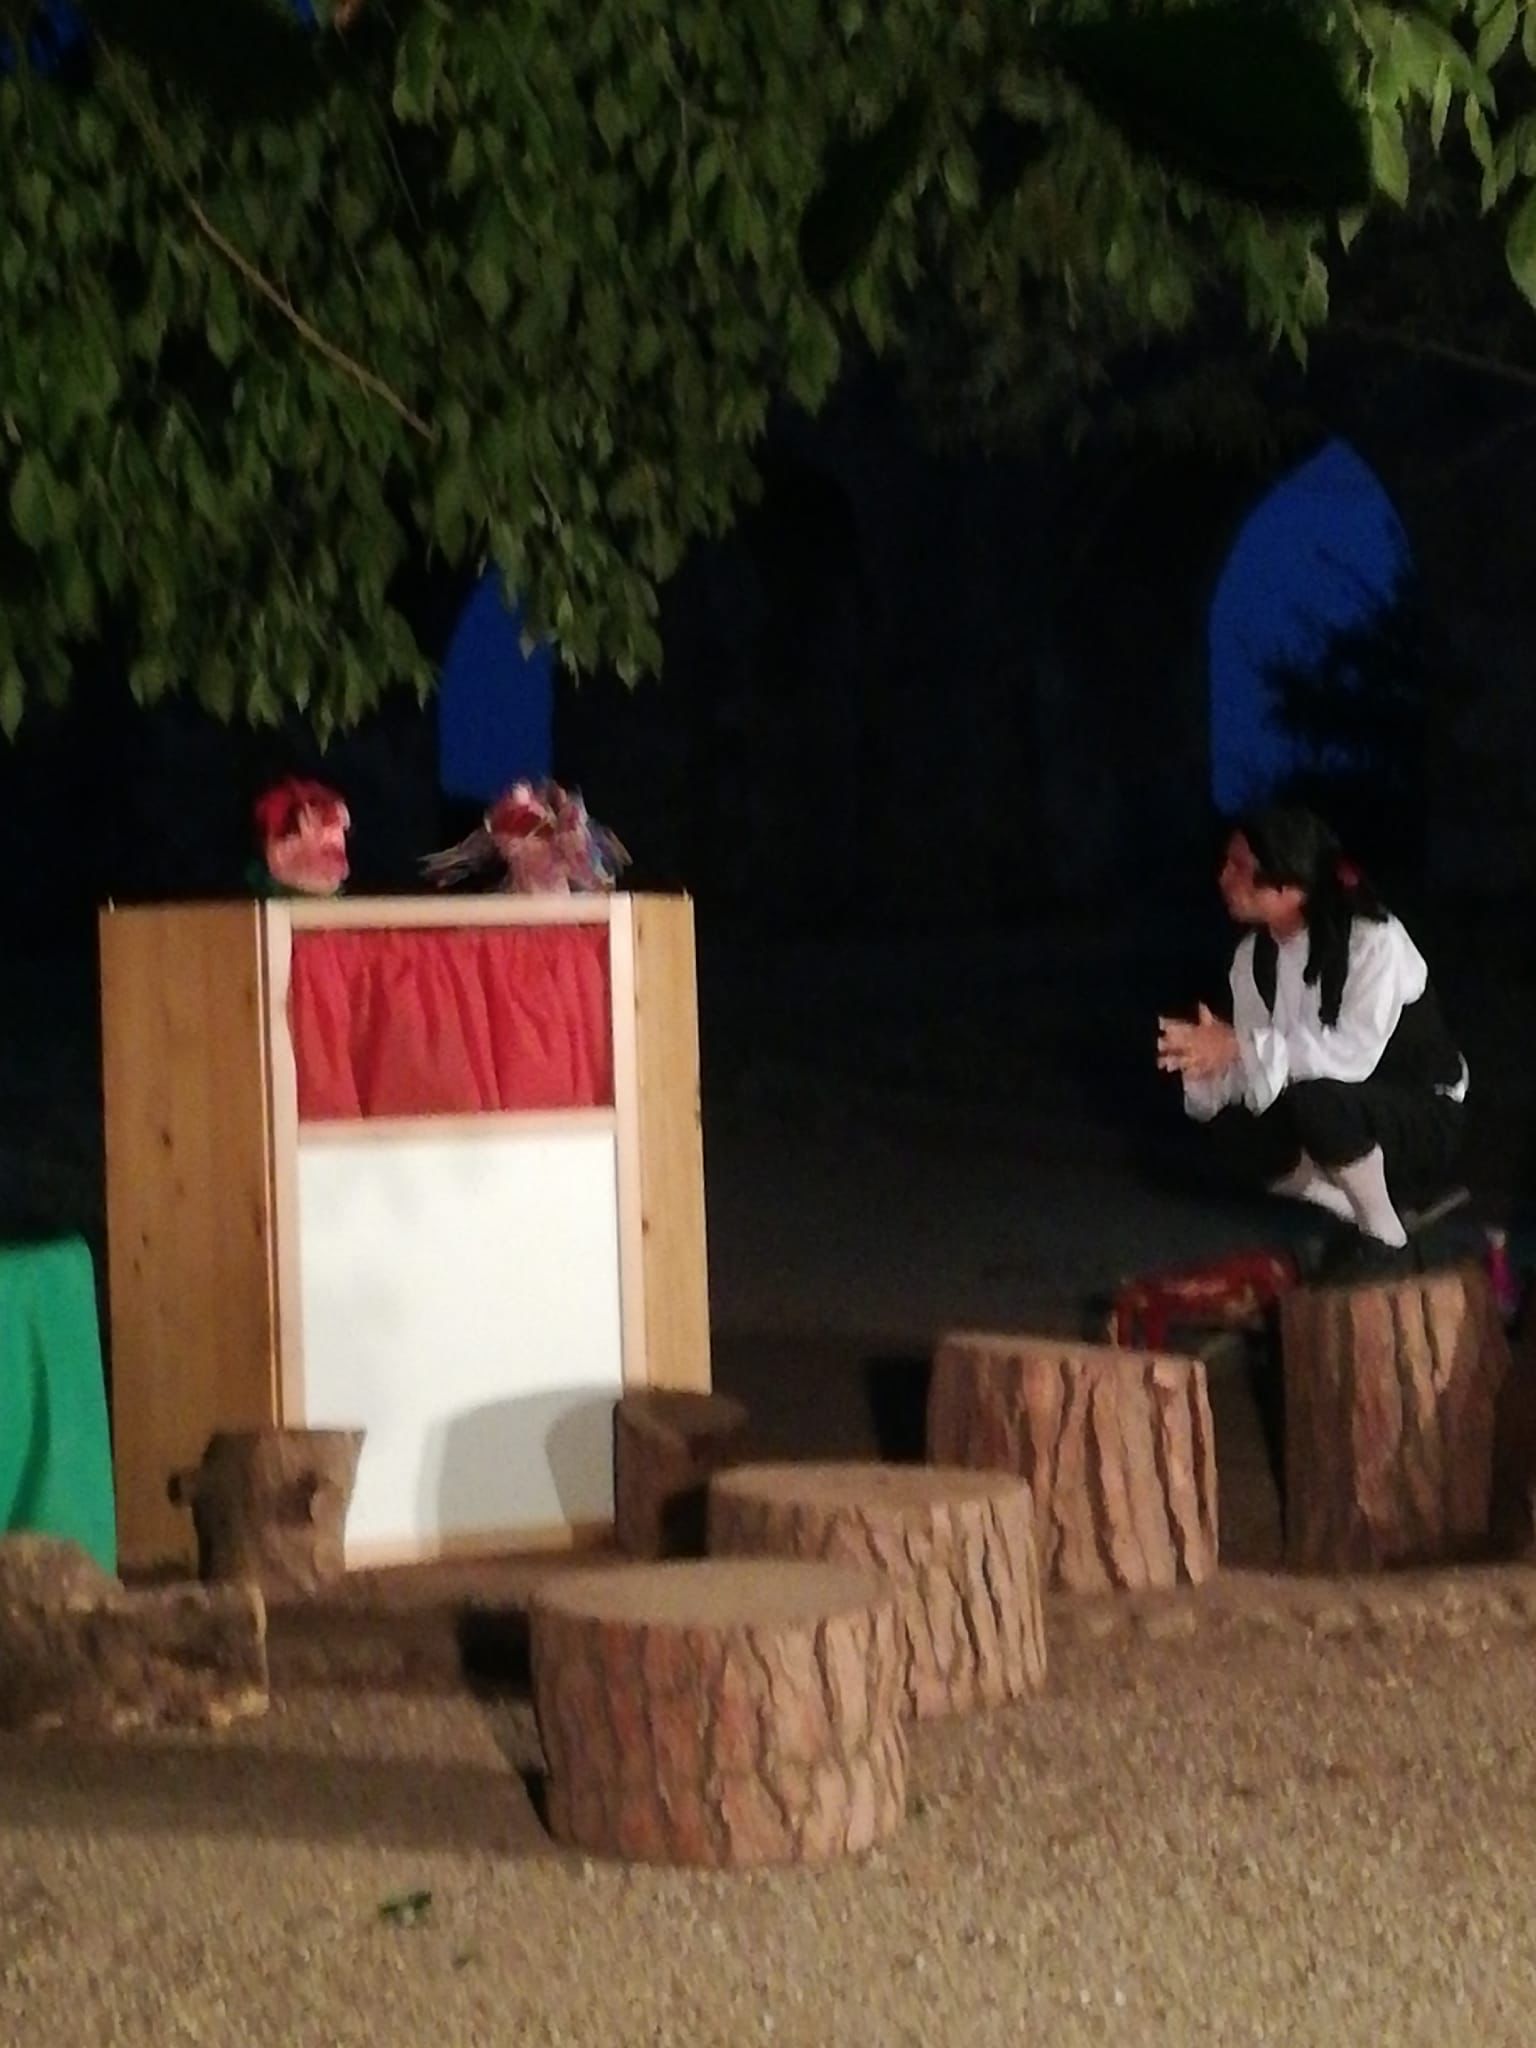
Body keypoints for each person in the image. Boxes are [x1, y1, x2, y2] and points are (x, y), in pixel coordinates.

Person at [1156, 806, 1467, 1278]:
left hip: (1423, 1111)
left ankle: (1386, 1237)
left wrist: (1238, 1045)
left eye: (1240, 866)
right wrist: (1206, 1061)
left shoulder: (1372, 940)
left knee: (1317, 1099)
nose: (1224, 877)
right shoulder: (1252, 958)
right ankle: (1357, 1214)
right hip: (1340, 1107)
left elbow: (1351, 1056)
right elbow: (1263, 1071)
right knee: (1238, 1126)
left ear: (1288, 881)